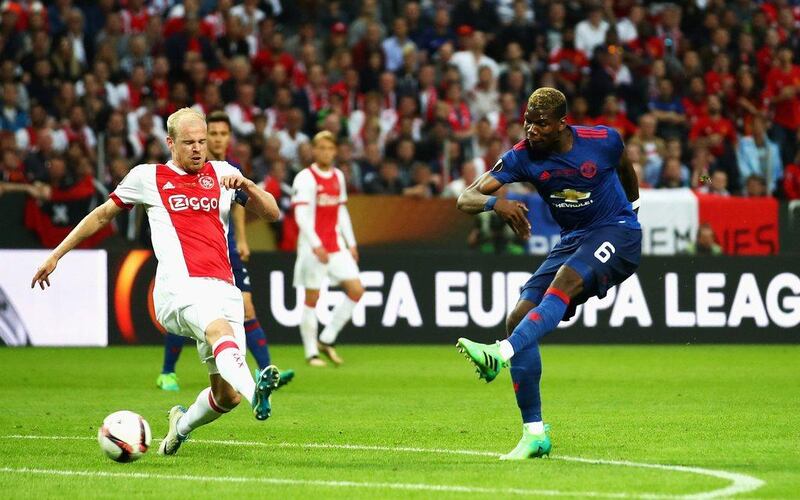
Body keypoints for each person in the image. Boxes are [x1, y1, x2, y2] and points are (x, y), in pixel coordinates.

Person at [31, 108, 283, 456]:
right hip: (178, 289)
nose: (197, 149)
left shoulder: (224, 173)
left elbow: (272, 213)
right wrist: (56, 254)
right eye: (188, 143)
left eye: (202, 142)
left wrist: (249, 186)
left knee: (227, 396)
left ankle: (179, 428)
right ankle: (258, 389)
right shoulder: (147, 177)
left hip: (225, 288)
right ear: (170, 143)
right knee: (219, 332)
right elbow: (102, 214)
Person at [455, 88, 641, 460]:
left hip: (615, 231)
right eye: (527, 121)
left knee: (565, 282)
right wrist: (497, 203)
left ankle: (501, 353)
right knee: (518, 316)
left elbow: (623, 167)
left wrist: (633, 210)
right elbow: (465, 199)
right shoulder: (521, 157)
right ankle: (535, 434)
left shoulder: (602, 140)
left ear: (561, 123)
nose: (532, 130)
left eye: (540, 123)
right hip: (573, 239)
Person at [156, 111, 294, 392]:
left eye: (220, 135)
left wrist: (241, 239)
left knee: (246, 307)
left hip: (226, 249)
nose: (215, 140)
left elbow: (239, 207)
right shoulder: (180, 171)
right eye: (213, 134)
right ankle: (168, 371)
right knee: (195, 311)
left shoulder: (228, 170)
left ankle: (265, 370)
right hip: (194, 253)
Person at [291, 131, 364, 366]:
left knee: (356, 290)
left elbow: (341, 211)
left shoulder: (338, 176)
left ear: (335, 151)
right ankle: (311, 352)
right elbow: (301, 216)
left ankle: (327, 338)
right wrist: (316, 245)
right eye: (320, 147)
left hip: (336, 246)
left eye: (329, 148)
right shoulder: (305, 178)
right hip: (313, 249)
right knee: (312, 297)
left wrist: (351, 242)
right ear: (314, 150)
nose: (325, 152)